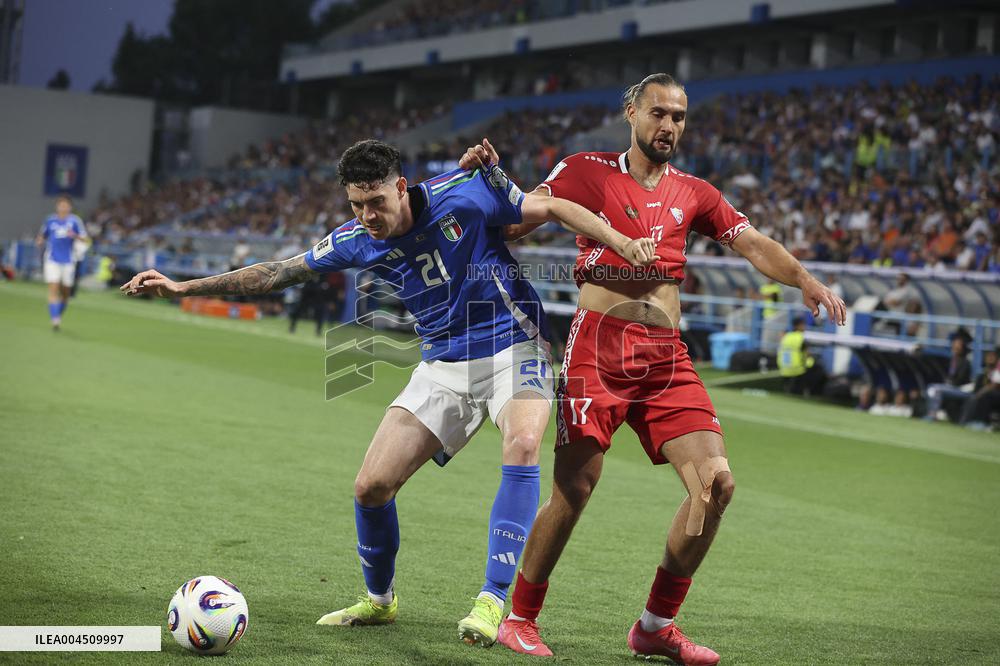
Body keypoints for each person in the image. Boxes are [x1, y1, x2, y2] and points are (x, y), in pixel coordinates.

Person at [121, 139, 657, 648]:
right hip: (443, 363)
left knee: (521, 445)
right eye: (356, 205)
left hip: (513, 347)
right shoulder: (356, 237)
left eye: (375, 202)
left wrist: (623, 243)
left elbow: (553, 206)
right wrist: (183, 286)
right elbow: (278, 273)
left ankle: (493, 600)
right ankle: (380, 600)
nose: (366, 217)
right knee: (370, 486)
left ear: (402, 186)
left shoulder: (464, 193)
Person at [459, 73, 846, 663]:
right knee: (575, 486)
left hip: (667, 357)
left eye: (679, 117)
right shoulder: (585, 170)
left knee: (716, 485)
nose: (669, 126)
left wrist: (806, 280)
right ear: (631, 112)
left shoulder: (695, 190)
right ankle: (520, 617)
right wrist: (487, 180)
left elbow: (751, 243)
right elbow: (517, 219)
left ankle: (655, 626)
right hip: (598, 347)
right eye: (659, 113)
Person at [36, 195, 87, 330]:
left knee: (65, 293)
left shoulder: (75, 221)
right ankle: (55, 320)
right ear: (57, 206)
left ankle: (57, 313)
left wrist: (74, 236)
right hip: (52, 259)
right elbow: (42, 235)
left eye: (66, 205)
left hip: (69, 261)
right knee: (53, 289)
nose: (63, 207)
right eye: (61, 204)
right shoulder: (50, 220)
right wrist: (40, 240)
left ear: (70, 207)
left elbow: (85, 239)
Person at [777, 316, 827, 396]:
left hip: (784, 368)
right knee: (818, 369)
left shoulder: (786, 336)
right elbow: (807, 355)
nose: (804, 327)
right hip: (797, 369)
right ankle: (812, 393)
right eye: (803, 325)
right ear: (798, 326)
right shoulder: (801, 337)